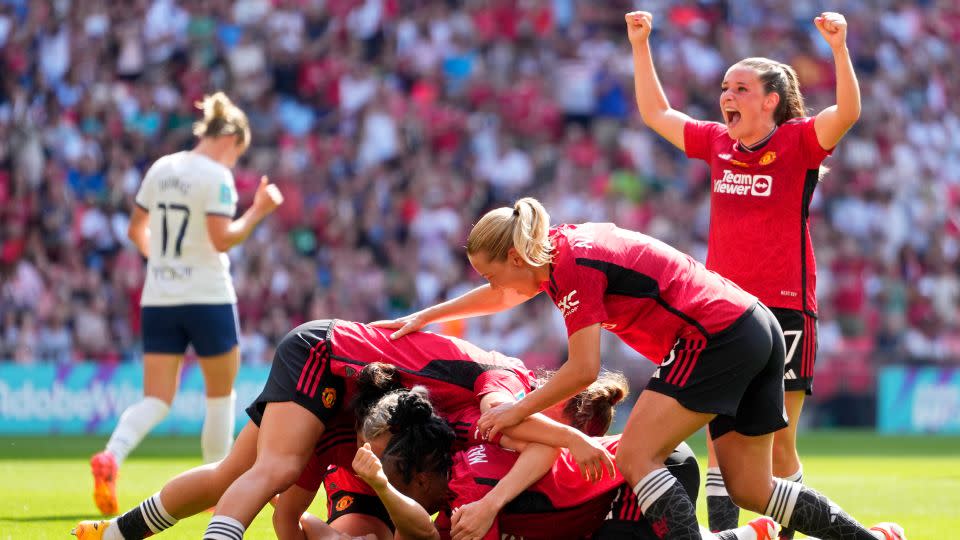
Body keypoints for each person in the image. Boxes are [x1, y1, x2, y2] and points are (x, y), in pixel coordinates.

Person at [374, 197, 905, 540]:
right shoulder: (562, 249)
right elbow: (500, 296)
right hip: (750, 326)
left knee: (634, 453)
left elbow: (584, 370)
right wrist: (429, 315)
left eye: (492, 274)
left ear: (516, 257)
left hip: (715, 335)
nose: (494, 286)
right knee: (750, 486)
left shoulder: (573, 269)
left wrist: (517, 408)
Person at [624, 10, 862, 537]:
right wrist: (641, 45)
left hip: (785, 309)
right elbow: (656, 112)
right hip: (723, 313)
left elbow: (847, 111)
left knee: (779, 444)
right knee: (717, 439)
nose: (726, 96)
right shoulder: (716, 143)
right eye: (725, 87)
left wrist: (839, 48)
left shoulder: (799, 142)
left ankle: (783, 532)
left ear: (770, 100)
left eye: (740, 88)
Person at [72, 319, 611, 540]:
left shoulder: (483, 402)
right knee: (272, 469)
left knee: (231, 475)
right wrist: (578, 441)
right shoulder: (500, 383)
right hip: (325, 359)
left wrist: (573, 438)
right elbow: (519, 428)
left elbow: (527, 434)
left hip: (352, 408)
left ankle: (114, 532)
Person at [89, 91, 284, 516]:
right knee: (220, 394)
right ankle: (216, 487)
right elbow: (221, 238)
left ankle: (111, 455)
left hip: (159, 297)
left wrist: (162, 263)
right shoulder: (215, 176)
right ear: (231, 138)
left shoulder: (162, 167)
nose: (234, 162)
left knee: (156, 398)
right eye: (237, 153)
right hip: (208, 297)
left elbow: (135, 230)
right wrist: (258, 212)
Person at [348, 387, 780, 540]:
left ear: (423, 477)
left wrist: (493, 503)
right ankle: (751, 534)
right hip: (644, 467)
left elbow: (548, 448)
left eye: (403, 486)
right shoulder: (461, 465)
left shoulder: (471, 492)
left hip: (649, 469)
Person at [277, 369, 633, 540]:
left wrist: (491, 504)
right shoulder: (493, 420)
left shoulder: (474, 461)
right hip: (370, 472)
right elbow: (547, 443)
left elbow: (547, 446)